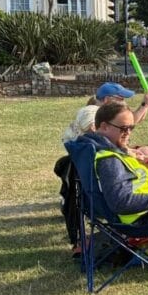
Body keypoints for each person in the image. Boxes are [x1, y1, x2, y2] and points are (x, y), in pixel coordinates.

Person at [56, 104, 99, 257]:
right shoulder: (98, 153)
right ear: (94, 127)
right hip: (109, 204)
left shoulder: (80, 149)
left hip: (89, 203)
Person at [93, 82, 148, 157]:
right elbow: (133, 121)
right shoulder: (92, 113)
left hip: (118, 148)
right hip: (112, 151)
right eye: (120, 99)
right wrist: (145, 104)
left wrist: (146, 104)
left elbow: (136, 120)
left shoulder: (105, 112)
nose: (124, 102)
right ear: (107, 99)